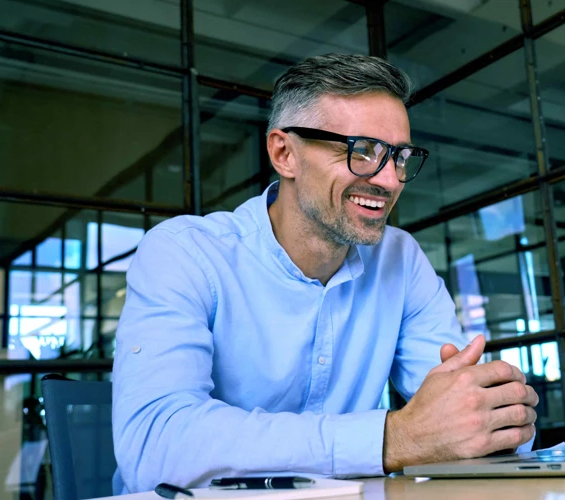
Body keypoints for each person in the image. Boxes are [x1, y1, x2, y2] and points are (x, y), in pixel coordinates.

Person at [111, 54, 538, 494]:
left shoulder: (401, 259)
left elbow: (459, 420)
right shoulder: (186, 252)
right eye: (362, 151)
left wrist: (494, 415)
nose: (390, 180)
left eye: (399, 156)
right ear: (284, 153)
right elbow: (153, 445)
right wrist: (394, 438)